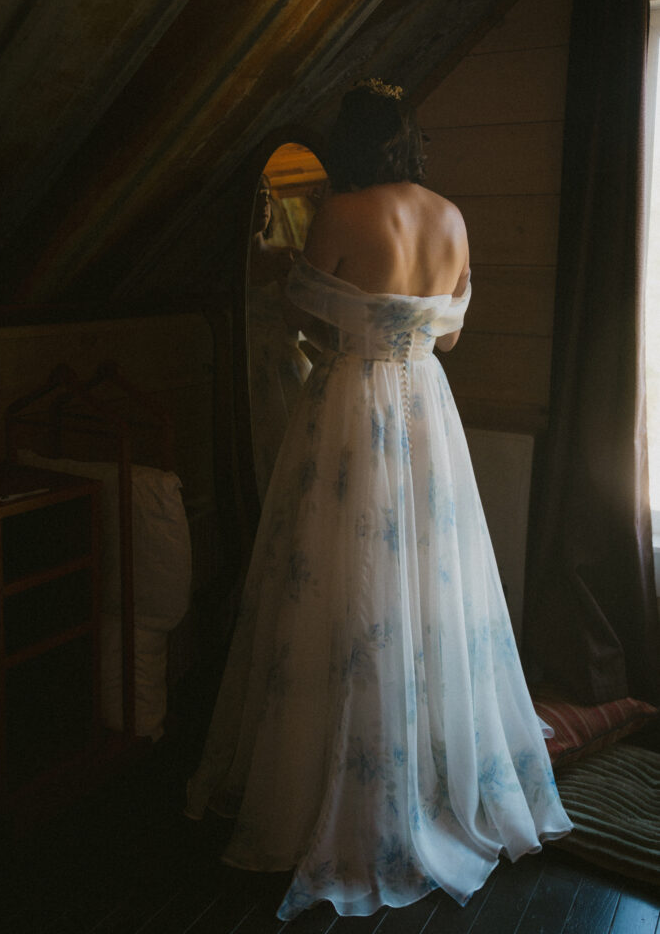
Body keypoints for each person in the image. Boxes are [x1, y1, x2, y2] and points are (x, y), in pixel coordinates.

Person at [185, 78, 572, 920]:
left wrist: (340, 310)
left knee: (341, 575)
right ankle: (433, 764)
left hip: (353, 407)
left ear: (351, 145)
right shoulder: (451, 216)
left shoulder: (341, 213)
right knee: (431, 578)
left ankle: (345, 770)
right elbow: (451, 332)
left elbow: (305, 319)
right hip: (427, 403)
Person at [247, 174, 313, 501]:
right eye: (255, 196)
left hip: (286, 369)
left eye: (266, 195)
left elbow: (307, 321)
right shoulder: (228, 268)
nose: (264, 204)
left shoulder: (289, 258)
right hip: (247, 374)